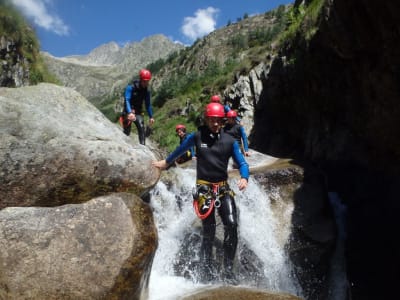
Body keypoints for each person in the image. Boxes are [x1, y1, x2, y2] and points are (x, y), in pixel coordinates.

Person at [152, 102, 249, 284]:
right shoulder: (197, 136)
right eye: (212, 120)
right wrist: (166, 162)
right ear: (206, 119)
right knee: (209, 230)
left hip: (222, 188)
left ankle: (228, 270)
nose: (215, 124)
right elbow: (180, 150)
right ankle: (207, 268)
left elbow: (242, 163)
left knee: (232, 224)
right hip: (204, 189)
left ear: (222, 121)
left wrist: (244, 177)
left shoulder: (229, 141)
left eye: (218, 120)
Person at [122, 69, 155, 145]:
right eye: (144, 81)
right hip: (128, 111)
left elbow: (148, 105)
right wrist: (130, 112)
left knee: (141, 128)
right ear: (141, 79)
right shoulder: (130, 88)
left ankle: (143, 147)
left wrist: (151, 116)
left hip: (137, 112)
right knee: (127, 131)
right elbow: (127, 100)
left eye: (147, 81)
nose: (146, 83)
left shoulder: (146, 92)